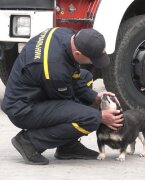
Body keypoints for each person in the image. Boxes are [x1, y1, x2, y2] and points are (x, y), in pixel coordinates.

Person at [1, 28, 124, 165]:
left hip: (37, 89)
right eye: (92, 59)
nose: (92, 63)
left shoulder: (65, 34)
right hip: (22, 110)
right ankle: (29, 142)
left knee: (86, 78)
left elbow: (75, 81)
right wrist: (101, 117)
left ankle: (67, 147)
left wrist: (95, 97)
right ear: (77, 53)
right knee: (90, 118)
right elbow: (68, 103)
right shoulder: (55, 69)